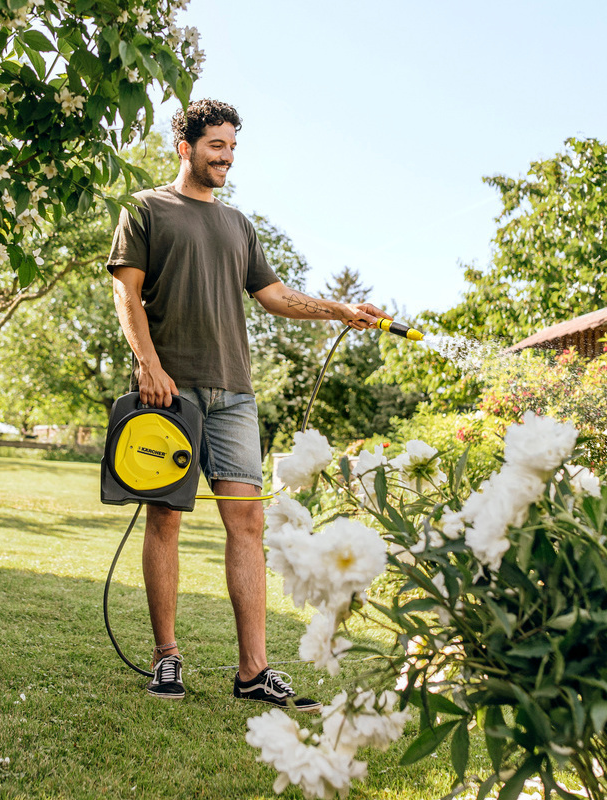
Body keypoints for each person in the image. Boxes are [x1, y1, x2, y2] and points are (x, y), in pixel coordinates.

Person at [106, 99, 392, 712]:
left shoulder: (239, 225)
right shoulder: (145, 209)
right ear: (185, 147)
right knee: (166, 519)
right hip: (170, 393)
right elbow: (126, 295)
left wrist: (341, 310)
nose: (227, 158)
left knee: (249, 522)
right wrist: (150, 367)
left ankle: (254, 672)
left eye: (233, 147)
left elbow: (275, 296)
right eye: (216, 146)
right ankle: (166, 659)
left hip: (235, 393)